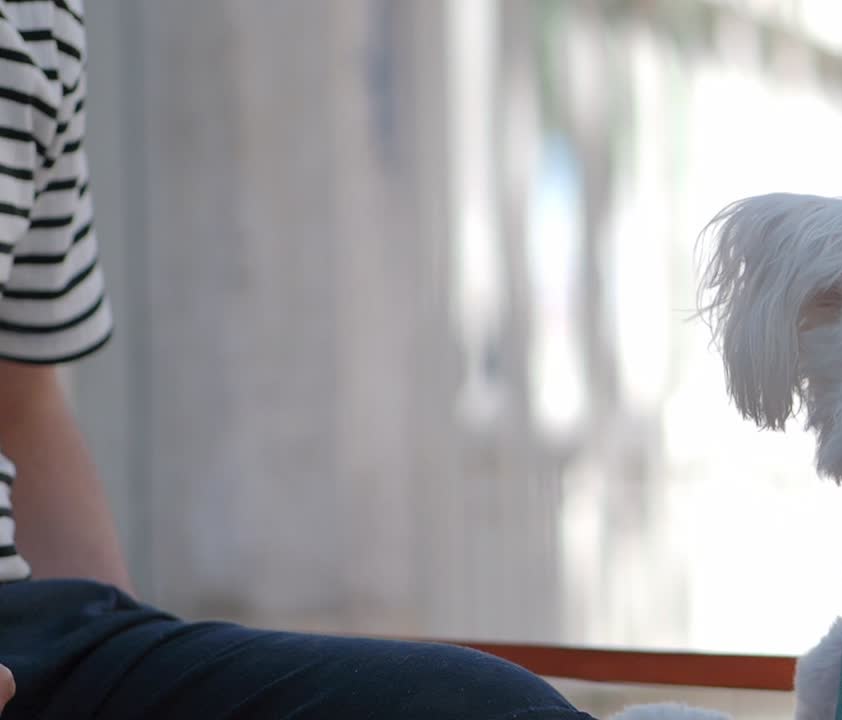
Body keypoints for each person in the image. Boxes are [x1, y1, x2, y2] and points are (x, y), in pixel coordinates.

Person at [0, 3, 595, 718]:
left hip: (27, 631)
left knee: (483, 708)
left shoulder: (44, 17)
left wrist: (118, 657)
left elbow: (22, 400)